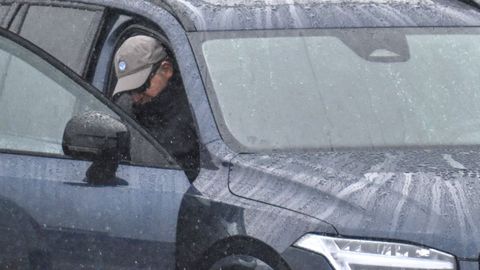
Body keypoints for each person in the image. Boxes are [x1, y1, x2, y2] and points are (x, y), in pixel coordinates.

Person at [112, 35, 199, 180]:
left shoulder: (197, 112)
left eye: (140, 86)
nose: (135, 97)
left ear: (166, 69)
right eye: (128, 90)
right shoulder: (123, 111)